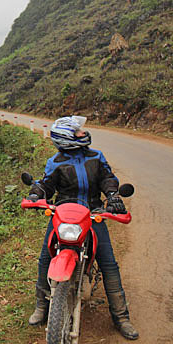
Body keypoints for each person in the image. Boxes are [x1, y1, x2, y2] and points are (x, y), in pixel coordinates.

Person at [28, 115, 139, 341]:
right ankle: (42, 306)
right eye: (78, 132)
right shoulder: (55, 161)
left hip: (93, 213)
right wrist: (36, 193)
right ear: (67, 138)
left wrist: (113, 195)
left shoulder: (96, 157)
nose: (83, 133)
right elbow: (46, 184)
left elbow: (108, 179)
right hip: (63, 213)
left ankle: (121, 316)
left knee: (108, 263)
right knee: (44, 258)